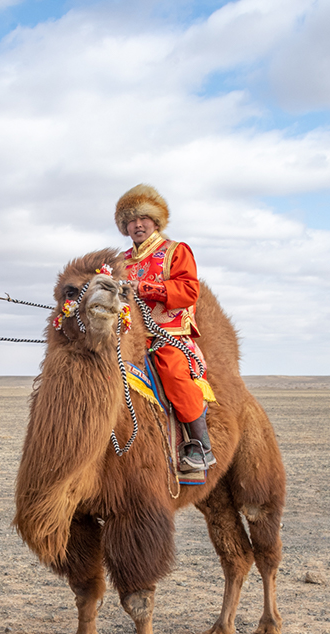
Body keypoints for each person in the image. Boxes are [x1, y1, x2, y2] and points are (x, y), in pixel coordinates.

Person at [115, 184, 216, 471]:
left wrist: (145, 288)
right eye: (130, 221)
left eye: (142, 218)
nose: (137, 225)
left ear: (156, 221)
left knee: (173, 372)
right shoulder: (120, 262)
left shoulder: (175, 251)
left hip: (167, 335)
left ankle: (200, 446)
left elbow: (188, 291)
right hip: (129, 338)